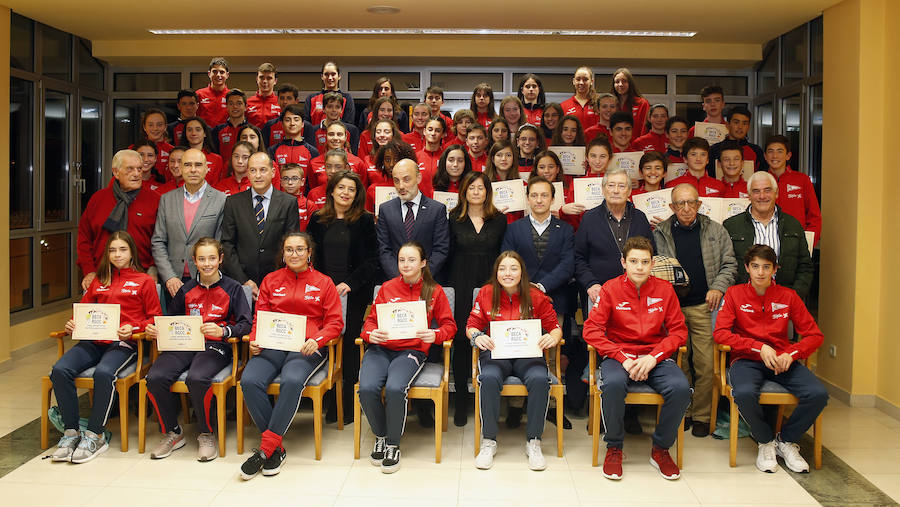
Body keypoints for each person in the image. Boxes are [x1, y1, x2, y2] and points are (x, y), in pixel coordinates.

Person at [582, 236, 690, 480]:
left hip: (656, 356)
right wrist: (623, 358)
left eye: (644, 261)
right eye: (633, 261)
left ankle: (661, 449)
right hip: (620, 357)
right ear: (623, 262)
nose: (639, 267)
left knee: (681, 388)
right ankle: (614, 447)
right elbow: (591, 330)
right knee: (612, 384)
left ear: (652, 264)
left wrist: (653, 357)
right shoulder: (610, 288)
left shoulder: (665, 290)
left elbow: (679, 332)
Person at [714, 244, 828, 474]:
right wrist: (757, 347)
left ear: (775, 269)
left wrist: (792, 353)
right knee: (744, 393)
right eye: (755, 266)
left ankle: (786, 441)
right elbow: (720, 333)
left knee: (818, 394)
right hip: (746, 360)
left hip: (783, 359)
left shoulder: (789, 296)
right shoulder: (735, 294)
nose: (760, 272)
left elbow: (815, 335)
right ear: (747, 268)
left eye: (766, 267)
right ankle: (765, 442)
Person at [238, 232, 343, 480]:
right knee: (249, 380)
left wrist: (317, 339)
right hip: (273, 345)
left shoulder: (324, 282)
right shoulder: (271, 280)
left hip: (307, 347)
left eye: (299, 249)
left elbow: (336, 323)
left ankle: (265, 449)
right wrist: (254, 339)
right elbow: (259, 317)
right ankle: (275, 448)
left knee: (292, 380)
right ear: (282, 254)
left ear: (309, 253)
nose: (294, 254)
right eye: (289, 250)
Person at [50, 231, 162, 463]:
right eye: (112, 250)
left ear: (132, 252)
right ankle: (71, 433)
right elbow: (82, 312)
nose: (117, 254)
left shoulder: (145, 281)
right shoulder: (98, 281)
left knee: (104, 373)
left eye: (122, 249)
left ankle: (95, 435)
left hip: (125, 344)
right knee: (59, 370)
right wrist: (73, 323)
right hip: (92, 341)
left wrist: (134, 327)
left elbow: (155, 318)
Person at [144, 237, 252, 461]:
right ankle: (173, 432)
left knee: (197, 377)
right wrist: (157, 330)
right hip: (185, 344)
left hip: (217, 346)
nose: (207, 263)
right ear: (194, 261)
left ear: (220, 259)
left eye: (212, 258)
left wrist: (224, 331)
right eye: (202, 259)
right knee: (155, 376)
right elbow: (170, 320)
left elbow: (245, 324)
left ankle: (206, 433)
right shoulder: (186, 289)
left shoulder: (233, 289)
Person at [360, 242, 456, 473]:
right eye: (402, 260)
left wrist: (434, 334)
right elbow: (370, 321)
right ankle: (381, 435)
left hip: (411, 351)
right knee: (366, 388)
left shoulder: (434, 291)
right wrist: (370, 333)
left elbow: (450, 326)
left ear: (423, 263)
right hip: (381, 349)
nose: (406, 264)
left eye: (412, 260)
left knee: (395, 388)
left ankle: (393, 444)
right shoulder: (387, 287)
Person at [653, 183, 737, 437]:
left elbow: (730, 264)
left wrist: (719, 288)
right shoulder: (661, 232)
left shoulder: (716, 230)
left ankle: (701, 415)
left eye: (691, 203)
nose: (686, 208)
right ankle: (684, 412)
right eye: (680, 204)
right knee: (679, 362)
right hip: (673, 308)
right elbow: (655, 270)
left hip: (705, 305)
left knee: (705, 362)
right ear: (672, 207)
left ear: (700, 204)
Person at [467, 251, 563, 471]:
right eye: (502, 269)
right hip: (495, 352)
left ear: (522, 272)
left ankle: (534, 441)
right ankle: (489, 441)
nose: (507, 273)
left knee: (540, 379)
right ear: (496, 272)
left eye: (513, 268)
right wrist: (477, 336)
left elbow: (555, 327)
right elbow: (471, 324)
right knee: (488, 378)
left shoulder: (535, 295)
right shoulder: (486, 292)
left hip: (528, 354)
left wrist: (552, 337)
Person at [575, 168, 655, 422]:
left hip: (635, 296)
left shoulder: (640, 218)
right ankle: (601, 411)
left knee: (631, 344)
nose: (617, 190)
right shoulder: (590, 219)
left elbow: (650, 256)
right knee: (602, 350)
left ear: (630, 191)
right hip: (600, 293)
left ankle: (629, 412)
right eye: (612, 186)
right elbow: (578, 257)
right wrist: (589, 284)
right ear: (603, 189)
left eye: (622, 186)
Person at [502, 177, 576, 429]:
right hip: (518, 300)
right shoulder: (514, 229)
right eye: (534, 195)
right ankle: (515, 407)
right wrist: (525, 288)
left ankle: (552, 408)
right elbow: (508, 260)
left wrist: (541, 287)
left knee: (552, 355)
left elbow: (568, 264)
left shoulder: (565, 229)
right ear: (528, 198)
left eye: (545, 195)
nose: (539, 200)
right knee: (518, 350)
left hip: (554, 299)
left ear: (553, 199)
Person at [307, 170, 379, 421]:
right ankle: (329, 401)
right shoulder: (317, 219)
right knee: (324, 343)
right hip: (321, 294)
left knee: (349, 348)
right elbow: (309, 257)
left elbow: (372, 260)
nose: (346, 193)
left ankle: (347, 406)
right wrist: (322, 285)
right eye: (341, 188)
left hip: (353, 293)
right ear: (332, 191)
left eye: (351, 189)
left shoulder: (365, 220)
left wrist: (350, 283)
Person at [445, 172, 507, 425]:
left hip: (490, 286)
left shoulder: (499, 220)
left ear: (487, 191)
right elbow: (447, 253)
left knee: (491, 339)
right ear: (464, 191)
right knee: (461, 340)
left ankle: (488, 402)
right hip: (460, 284)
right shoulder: (453, 218)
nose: (476, 192)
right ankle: (461, 401)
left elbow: (504, 255)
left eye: (481, 188)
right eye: (471, 187)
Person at [221, 151, 301, 299]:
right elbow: (227, 244)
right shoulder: (233, 202)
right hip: (241, 282)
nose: (258, 175)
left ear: (272, 172)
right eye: (253, 170)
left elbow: (291, 245)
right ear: (248, 173)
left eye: (263, 170)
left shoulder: (288, 203)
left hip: (278, 282)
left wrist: (277, 279)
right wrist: (243, 280)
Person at [77, 150, 160, 291]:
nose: (136, 173)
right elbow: (84, 238)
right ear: (115, 172)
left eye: (139, 169)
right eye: (130, 169)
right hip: (101, 277)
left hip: (141, 277)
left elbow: (161, 240)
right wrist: (89, 270)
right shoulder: (98, 199)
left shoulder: (155, 200)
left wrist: (153, 269)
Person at [151, 148, 227, 303]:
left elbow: (221, 242)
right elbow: (158, 241)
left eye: (198, 165)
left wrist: (207, 276)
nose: (193, 170)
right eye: (187, 165)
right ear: (181, 168)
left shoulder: (221, 200)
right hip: (173, 283)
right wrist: (169, 277)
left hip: (207, 281)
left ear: (207, 169)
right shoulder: (166, 200)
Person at [723, 171, 813, 299]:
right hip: (743, 302)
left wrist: (793, 297)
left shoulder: (793, 225)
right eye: (756, 191)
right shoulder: (731, 226)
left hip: (785, 302)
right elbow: (725, 266)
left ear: (776, 193)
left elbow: (805, 267)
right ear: (748, 195)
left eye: (767, 190)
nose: (762, 196)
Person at [376, 158, 450, 280]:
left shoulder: (436, 210)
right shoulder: (385, 210)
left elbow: (441, 249)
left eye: (406, 179)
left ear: (418, 178)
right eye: (396, 181)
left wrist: (421, 277)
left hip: (427, 282)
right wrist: (400, 278)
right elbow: (384, 249)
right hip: (395, 282)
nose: (401, 186)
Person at [766, 135, 822, 245]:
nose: (775, 156)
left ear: (788, 155)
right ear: (765, 156)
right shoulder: (759, 180)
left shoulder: (802, 180)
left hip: (796, 243)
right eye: (770, 151)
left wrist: (808, 244)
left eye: (780, 151)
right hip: (766, 243)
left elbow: (814, 217)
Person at [707, 105, 766, 176]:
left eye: (744, 123)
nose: (740, 127)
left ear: (748, 126)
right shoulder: (714, 150)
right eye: (736, 122)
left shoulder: (756, 151)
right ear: (727, 125)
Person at [268, 104, 319, 181]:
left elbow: (313, 180)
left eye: (296, 119)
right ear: (282, 124)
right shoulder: (272, 150)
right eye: (288, 120)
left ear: (302, 124)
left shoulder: (312, 152)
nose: (292, 123)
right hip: (279, 192)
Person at [364, 140, 417, 212]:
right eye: (387, 160)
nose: (391, 164)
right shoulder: (373, 189)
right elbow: (368, 217)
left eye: (396, 159)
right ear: (382, 162)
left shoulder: (414, 188)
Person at [309, 121, 365, 188]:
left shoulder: (358, 162)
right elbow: (314, 190)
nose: (335, 138)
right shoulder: (314, 163)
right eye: (331, 134)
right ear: (326, 136)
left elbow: (361, 190)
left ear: (346, 136)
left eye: (339, 134)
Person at [262, 83, 315, 148]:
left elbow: (311, 151)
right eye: (282, 98)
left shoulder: (307, 126)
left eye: (289, 98)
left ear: (296, 101)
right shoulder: (269, 125)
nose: (285, 102)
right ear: (277, 101)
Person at [304, 61, 355, 126]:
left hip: (339, 135)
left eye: (333, 74)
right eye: (326, 74)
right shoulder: (311, 98)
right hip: (316, 135)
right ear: (322, 76)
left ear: (339, 76)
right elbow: (306, 124)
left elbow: (349, 124)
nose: (330, 78)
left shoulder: (347, 98)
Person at [181, 117, 224, 184]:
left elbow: (217, 185)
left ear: (205, 133)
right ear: (185, 133)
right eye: (189, 130)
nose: (193, 133)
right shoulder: (179, 156)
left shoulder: (216, 159)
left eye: (198, 130)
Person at [211, 89, 249, 163]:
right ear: (227, 107)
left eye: (239, 103)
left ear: (245, 107)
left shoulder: (252, 131)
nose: (235, 107)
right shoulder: (217, 131)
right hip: (224, 173)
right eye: (231, 103)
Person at [612, 68, 650, 137]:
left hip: (636, 146)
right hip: (615, 146)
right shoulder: (611, 104)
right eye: (617, 82)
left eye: (624, 81)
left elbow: (644, 129)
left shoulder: (641, 103)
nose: (620, 84)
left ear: (630, 83)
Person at [137, 108, 174, 179]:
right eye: (150, 125)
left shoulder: (172, 151)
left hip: (168, 189)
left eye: (159, 125)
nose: (155, 128)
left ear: (165, 127)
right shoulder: (133, 149)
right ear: (144, 127)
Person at [195, 57, 230, 129]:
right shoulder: (199, 94)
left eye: (222, 72)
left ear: (227, 75)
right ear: (209, 74)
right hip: (204, 136)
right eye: (214, 71)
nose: (218, 75)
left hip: (225, 136)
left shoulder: (231, 96)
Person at [416, 116, 448, 192]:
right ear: (424, 131)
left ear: (443, 134)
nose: (433, 133)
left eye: (437, 130)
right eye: (430, 130)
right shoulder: (415, 157)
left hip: (441, 200)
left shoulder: (447, 157)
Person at [246, 63, 281, 128]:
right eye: (261, 77)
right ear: (257, 79)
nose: (265, 81)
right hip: (253, 137)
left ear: (275, 81)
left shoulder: (280, 102)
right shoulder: (247, 103)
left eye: (269, 78)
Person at [278, 163, 312, 231]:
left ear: (302, 181)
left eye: (295, 178)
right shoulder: (275, 203)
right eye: (285, 178)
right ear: (281, 182)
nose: (290, 182)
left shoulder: (309, 205)